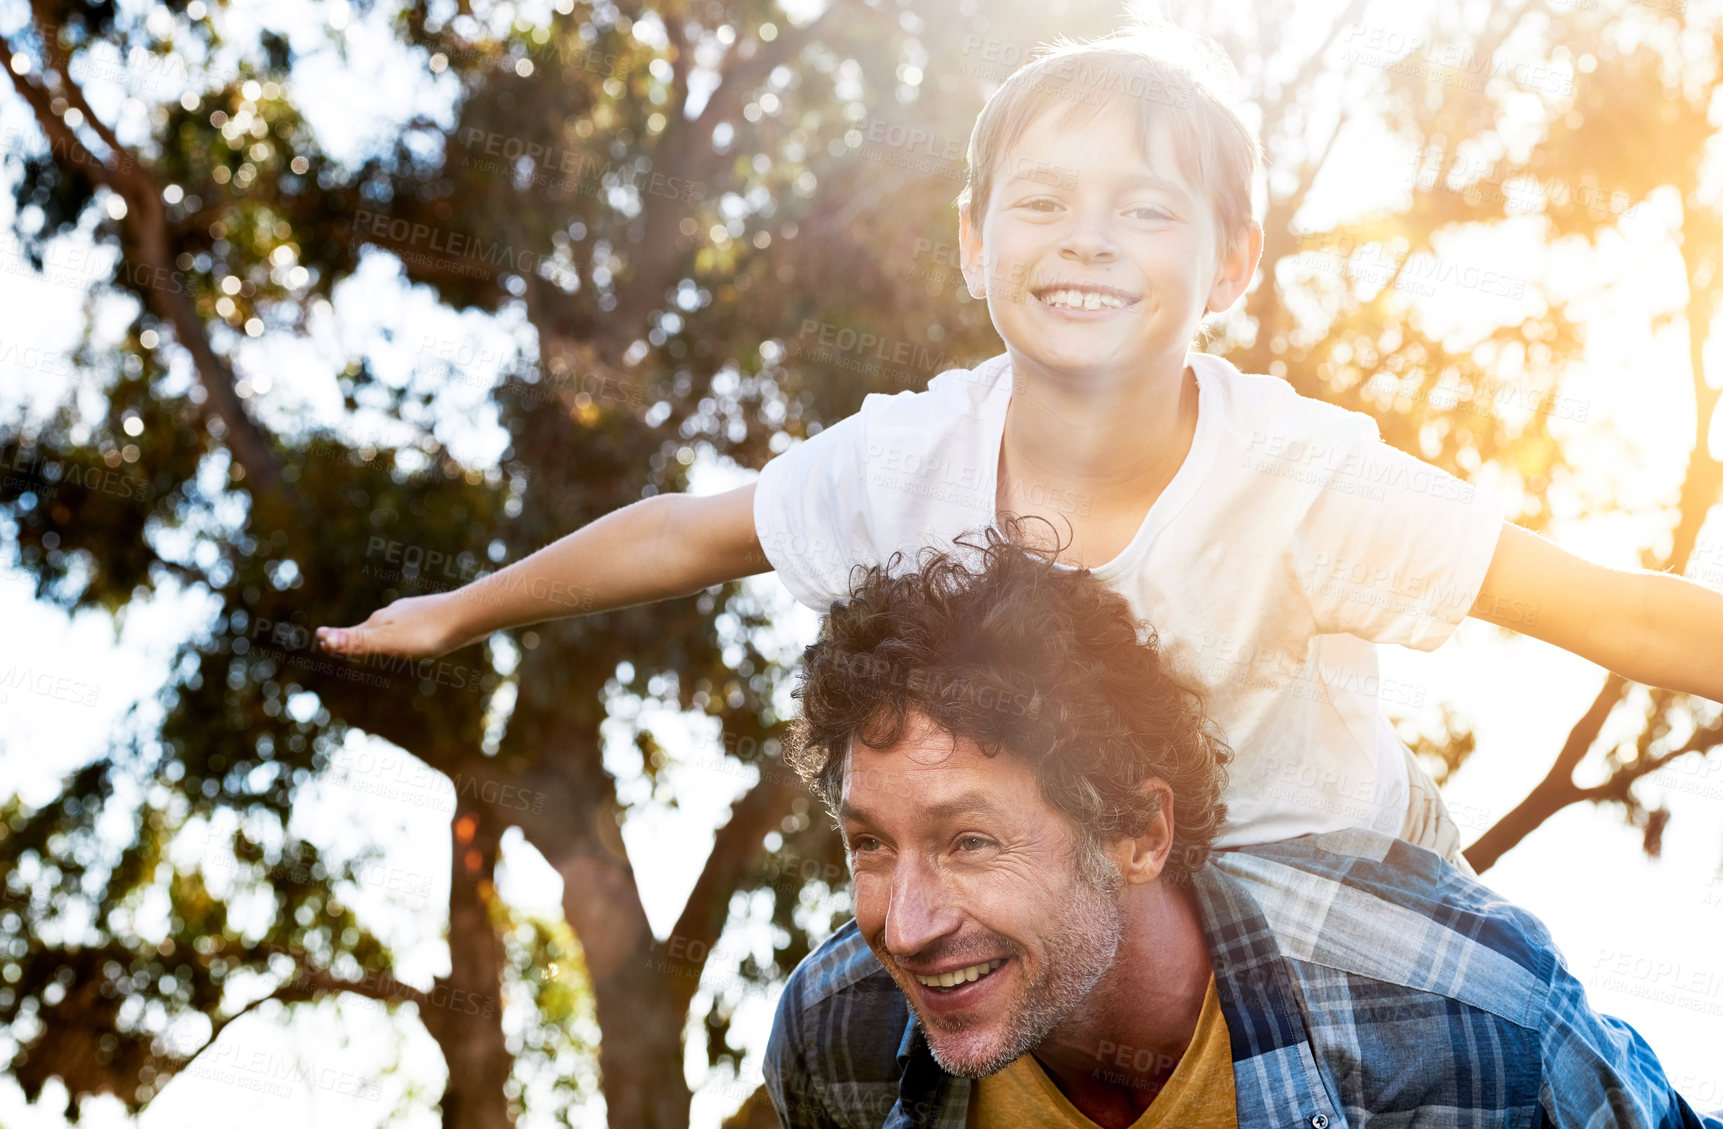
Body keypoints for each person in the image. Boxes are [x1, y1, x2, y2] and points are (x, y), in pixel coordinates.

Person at [314, 23, 1723, 866]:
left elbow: (1596, 603)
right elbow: (689, 529)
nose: (1087, 238)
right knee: (840, 1019)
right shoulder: (910, 459)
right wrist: (458, 608)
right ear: (973, 244)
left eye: (1144, 209)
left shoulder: (1301, 480)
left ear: (1231, 265)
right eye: (1041, 202)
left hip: (1326, 861)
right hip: (1090, 883)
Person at [762, 525, 1723, 1129]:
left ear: (1140, 832)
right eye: (870, 844)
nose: (907, 924)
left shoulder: (1469, 1023)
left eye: (969, 841)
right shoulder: (835, 1038)